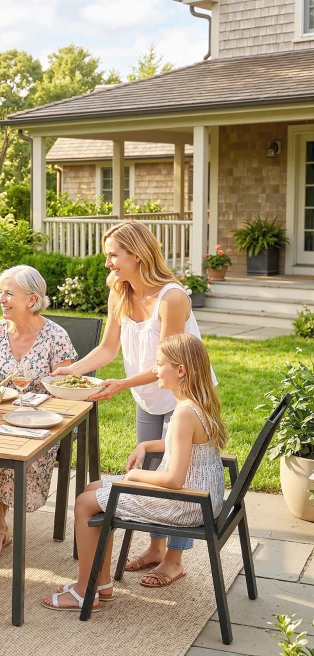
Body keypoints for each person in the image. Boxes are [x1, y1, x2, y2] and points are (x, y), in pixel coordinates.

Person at [51, 221, 213, 587]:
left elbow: (168, 363)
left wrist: (121, 384)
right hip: (146, 393)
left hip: (183, 393)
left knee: (179, 474)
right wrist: (70, 370)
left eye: (113, 255)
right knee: (153, 463)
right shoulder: (120, 293)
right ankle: (156, 548)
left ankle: (174, 559)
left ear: (136, 255)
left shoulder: (172, 297)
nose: (107, 263)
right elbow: (108, 348)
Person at [44, 334, 226, 611]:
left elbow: (174, 480)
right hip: (200, 498)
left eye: (159, 364)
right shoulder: (196, 404)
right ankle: (101, 582)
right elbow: (187, 445)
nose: (154, 370)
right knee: (92, 487)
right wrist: (146, 445)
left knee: (84, 504)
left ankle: (84, 592)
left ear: (181, 370)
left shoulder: (184, 413)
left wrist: (134, 476)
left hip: (184, 504)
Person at [0, 265, 76, 560]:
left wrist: (32, 413)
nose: (1, 298)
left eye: (9, 293)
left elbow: (65, 395)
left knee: (7, 453)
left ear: (32, 299)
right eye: (1, 292)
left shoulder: (56, 337)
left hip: (42, 423)